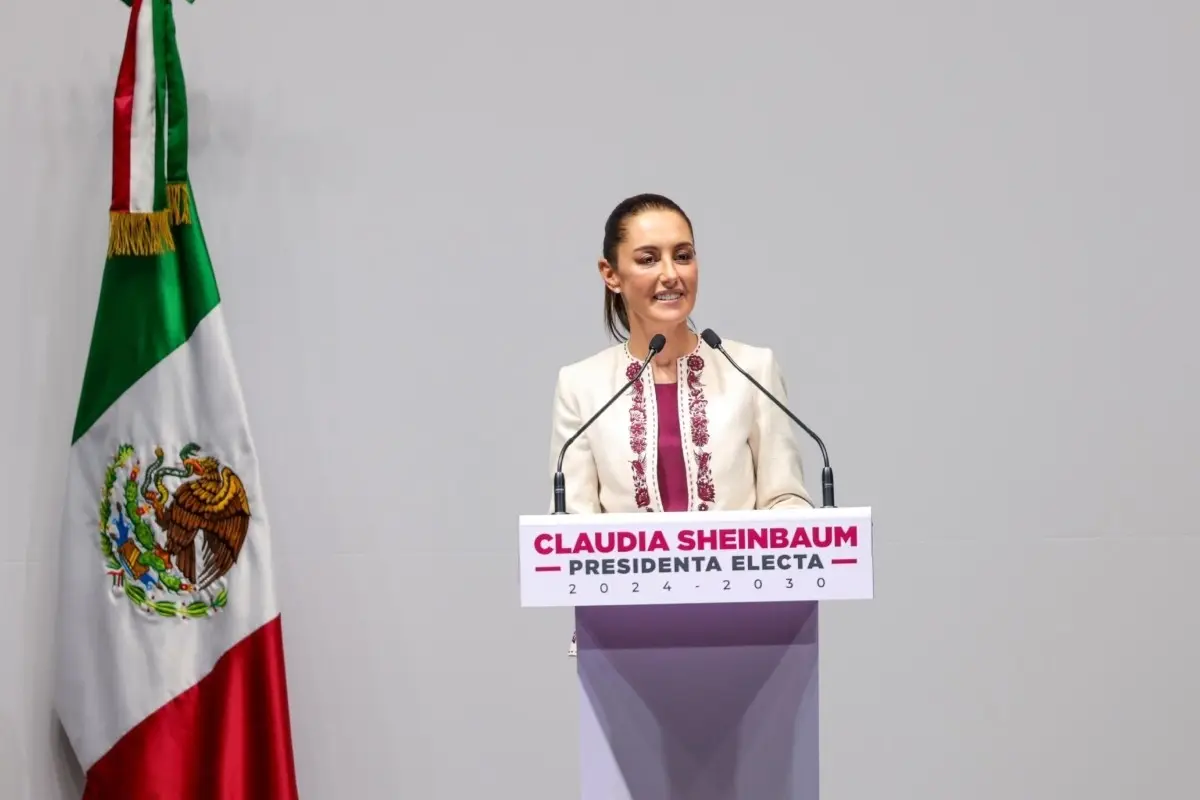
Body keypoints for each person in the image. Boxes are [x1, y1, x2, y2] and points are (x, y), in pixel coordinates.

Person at [547, 193, 813, 653]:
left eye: (683, 256)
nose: (671, 274)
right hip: (623, 640)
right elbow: (575, 526)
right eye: (648, 259)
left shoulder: (752, 369)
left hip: (751, 632)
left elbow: (785, 498)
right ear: (611, 275)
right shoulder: (581, 386)